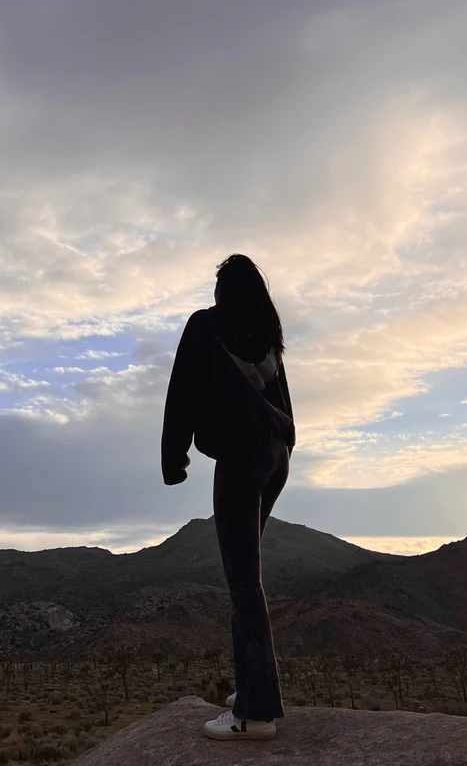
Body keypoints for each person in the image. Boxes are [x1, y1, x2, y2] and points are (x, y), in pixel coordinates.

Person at [161, 253, 295, 741]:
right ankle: (253, 687)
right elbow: (283, 403)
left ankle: (255, 716)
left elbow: (183, 392)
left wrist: (173, 460)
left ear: (221, 292)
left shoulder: (207, 326)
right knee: (248, 579)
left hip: (241, 461)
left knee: (243, 584)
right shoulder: (268, 335)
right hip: (277, 457)